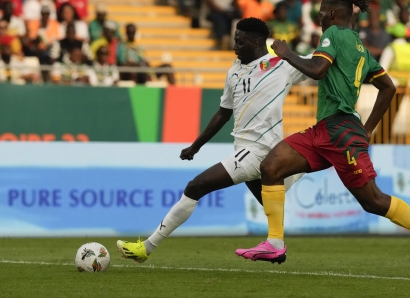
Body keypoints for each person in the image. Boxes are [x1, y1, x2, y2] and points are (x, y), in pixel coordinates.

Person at [235, 0, 410, 277]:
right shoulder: (360, 46)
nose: (318, 15)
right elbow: (387, 87)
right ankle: (275, 243)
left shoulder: (333, 34)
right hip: (325, 130)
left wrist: (286, 53)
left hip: (341, 132)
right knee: (271, 167)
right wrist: (369, 127)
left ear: (330, 13)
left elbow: (317, 70)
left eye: (320, 11)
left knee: (373, 201)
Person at [116, 17, 309, 263]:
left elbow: (318, 65)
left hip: (259, 151)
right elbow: (223, 113)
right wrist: (196, 145)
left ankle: (147, 248)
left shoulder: (280, 65)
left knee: (196, 186)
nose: (234, 46)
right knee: (266, 197)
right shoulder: (234, 71)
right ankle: (295, 177)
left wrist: (301, 51)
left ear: (255, 41)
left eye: (239, 42)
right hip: (245, 149)